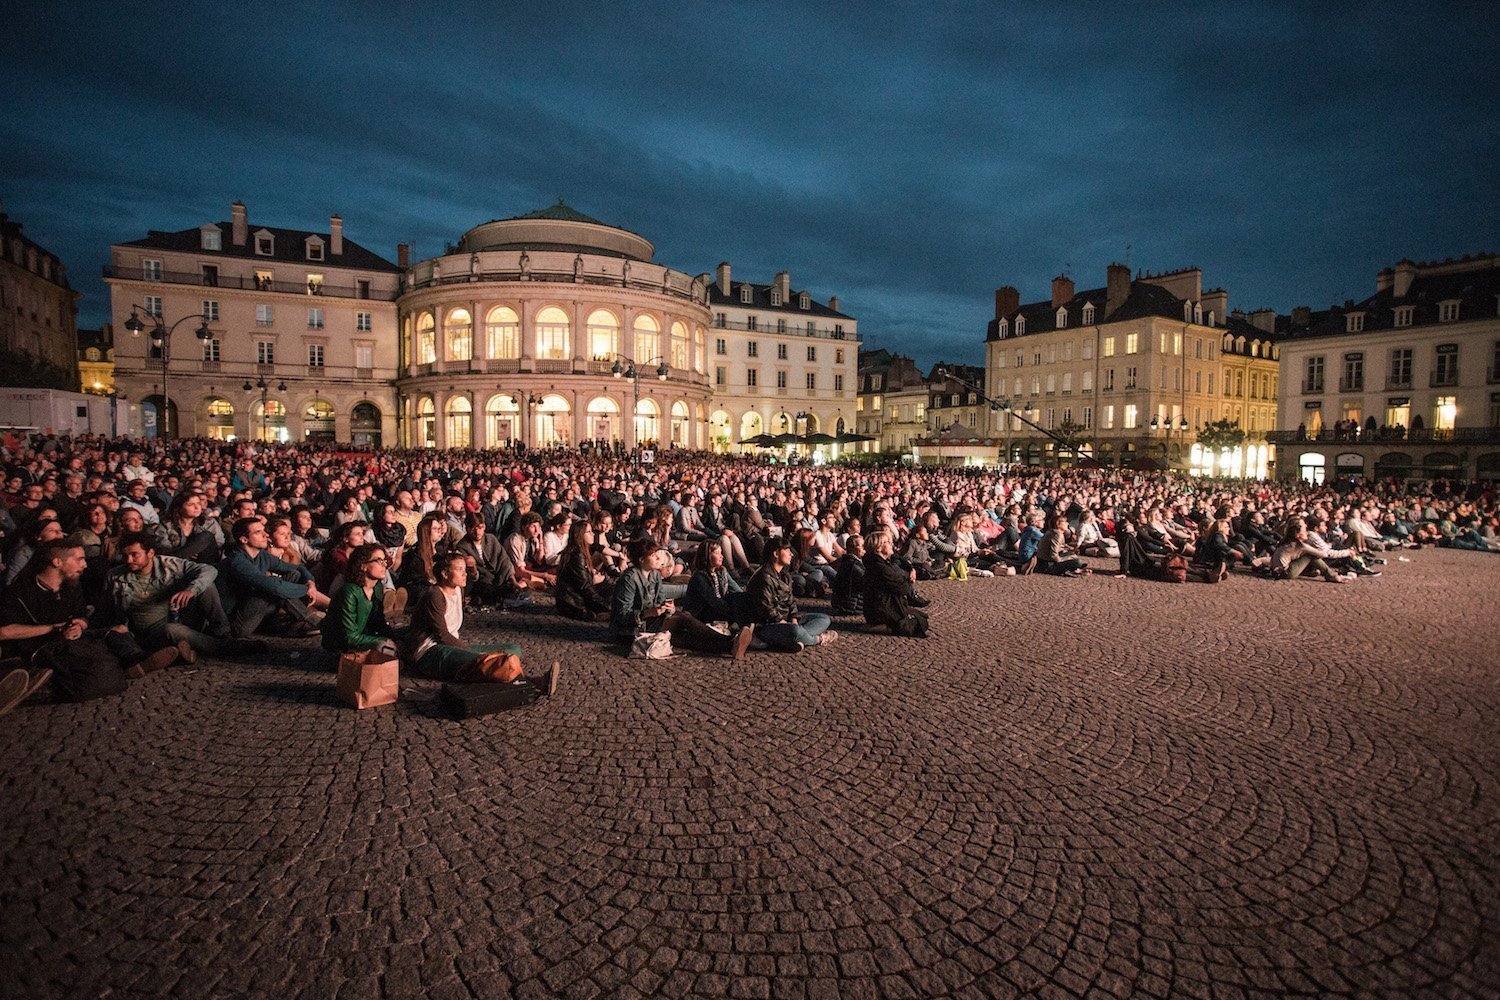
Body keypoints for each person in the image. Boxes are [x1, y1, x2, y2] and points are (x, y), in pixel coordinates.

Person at [402, 551, 558, 694]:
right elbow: (441, 634)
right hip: (430, 651)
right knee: (492, 661)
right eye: (459, 570)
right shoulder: (435, 595)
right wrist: (475, 654)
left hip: (452, 644)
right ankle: (534, 682)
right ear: (444, 574)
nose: (464, 574)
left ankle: (496, 666)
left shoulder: (458, 589)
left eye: (464, 569)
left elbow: (478, 582)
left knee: (512, 649)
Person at [107, 530, 261, 659]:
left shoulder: (167, 565)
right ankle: (227, 647)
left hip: (179, 617)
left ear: (150, 553)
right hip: (148, 632)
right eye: (125, 555)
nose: (129, 560)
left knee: (204, 585)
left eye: (135, 555)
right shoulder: (115, 576)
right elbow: (106, 608)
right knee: (171, 630)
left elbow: (209, 570)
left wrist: (191, 590)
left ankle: (222, 633)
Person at [610, 538, 753, 658]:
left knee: (683, 638)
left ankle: (728, 647)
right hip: (633, 628)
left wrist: (667, 608)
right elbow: (622, 614)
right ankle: (730, 641)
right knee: (684, 618)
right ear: (642, 560)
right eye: (653, 555)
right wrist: (647, 613)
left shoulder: (654, 575)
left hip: (654, 620)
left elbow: (660, 600)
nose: (658, 558)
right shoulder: (629, 579)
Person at [220, 517, 327, 637]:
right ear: (244, 539)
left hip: (260, 611)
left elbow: (297, 568)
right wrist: (306, 590)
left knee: (293, 575)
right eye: (258, 532)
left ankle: (294, 623)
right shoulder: (237, 561)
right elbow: (275, 587)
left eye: (263, 530)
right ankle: (314, 621)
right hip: (239, 622)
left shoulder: (261, 555)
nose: (265, 535)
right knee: (273, 586)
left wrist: (310, 584)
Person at [744, 536, 835, 652]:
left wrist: (794, 618)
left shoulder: (785, 575)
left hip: (786, 621)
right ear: (776, 554)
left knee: (823, 619)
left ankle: (791, 640)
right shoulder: (764, 577)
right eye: (787, 551)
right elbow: (765, 608)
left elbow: (791, 602)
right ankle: (817, 639)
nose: (791, 554)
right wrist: (782, 622)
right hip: (768, 624)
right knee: (795, 631)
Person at [321, 543, 401, 659]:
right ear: (363, 566)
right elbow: (350, 637)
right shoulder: (349, 592)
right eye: (379, 561)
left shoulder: (377, 588)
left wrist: (396, 639)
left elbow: (379, 623)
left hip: (363, 638)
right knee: (382, 646)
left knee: (405, 635)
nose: (384, 565)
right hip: (342, 649)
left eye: (385, 561)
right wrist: (385, 639)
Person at [862, 528, 929, 637]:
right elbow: (902, 588)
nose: (891, 544)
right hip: (882, 609)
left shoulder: (880, 562)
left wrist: (905, 574)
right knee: (918, 624)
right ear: (878, 547)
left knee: (922, 616)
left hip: (885, 604)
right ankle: (884, 627)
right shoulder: (879, 567)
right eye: (887, 542)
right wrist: (905, 579)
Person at [554, 519, 612, 621]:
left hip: (573, 596)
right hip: (572, 600)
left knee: (610, 588)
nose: (593, 534)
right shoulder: (576, 555)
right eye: (589, 532)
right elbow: (584, 586)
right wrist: (605, 605)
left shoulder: (580, 551)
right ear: (580, 535)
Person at [682, 536, 743, 624]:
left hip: (718, 606)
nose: (721, 556)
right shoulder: (699, 577)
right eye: (717, 553)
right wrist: (734, 611)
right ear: (708, 555)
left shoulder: (722, 571)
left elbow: (735, 589)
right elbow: (713, 600)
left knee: (739, 599)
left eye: (721, 553)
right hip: (701, 612)